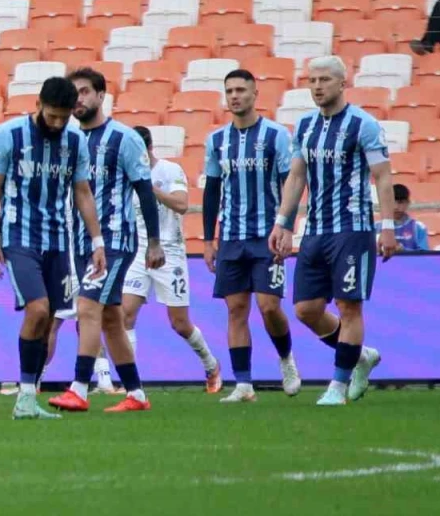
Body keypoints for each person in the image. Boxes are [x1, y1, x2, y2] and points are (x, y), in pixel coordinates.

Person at [269, 56, 395, 406]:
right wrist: (283, 223)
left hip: (352, 230)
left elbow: (382, 176)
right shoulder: (305, 126)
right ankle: (361, 355)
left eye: (324, 79)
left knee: (348, 306)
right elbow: (296, 177)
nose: (317, 86)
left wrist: (386, 227)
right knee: (306, 309)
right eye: (312, 80)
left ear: (342, 83)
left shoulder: (363, 124)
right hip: (315, 230)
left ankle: (337, 387)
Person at [0, 77, 106, 419]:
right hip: (18, 236)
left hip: (58, 240)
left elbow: (82, 191)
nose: (56, 123)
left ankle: (27, 397)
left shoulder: (75, 141)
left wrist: (97, 242)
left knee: (49, 317)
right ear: (38, 105)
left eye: (62, 118)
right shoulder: (10, 134)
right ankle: (24, 396)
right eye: (51, 116)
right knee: (37, 310)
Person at [50, 67, 163, 414]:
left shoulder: (123, 138)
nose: (79, 99)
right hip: (81, 242)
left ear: (101, 95)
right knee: (111, 318)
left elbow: (144, 189)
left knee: (87, 307)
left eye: (85, 92)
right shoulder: (69, 139)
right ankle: (137, 395)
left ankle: (79, 388)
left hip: (115, 239)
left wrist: (154, 242)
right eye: (74, 93)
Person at [203, 69, 301, 403]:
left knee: (269, 306)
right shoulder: (217, 140)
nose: (235, 96)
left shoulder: (276, 136)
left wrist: (286, 226)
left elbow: (292, 183)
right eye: (229, 90)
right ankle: (244, 384)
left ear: (255, 93)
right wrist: (207, 240)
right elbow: (212, 191)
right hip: (231, 237)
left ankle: (286, 359)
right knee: (236, 309)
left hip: (267, 236)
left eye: (241, 90)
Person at [117, 125, 222, 391]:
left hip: (170, 252)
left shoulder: (169, 170)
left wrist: (150, 189)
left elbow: (182, 205)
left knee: (180, 323)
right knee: (125, 316)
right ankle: (133, 384)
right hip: (137, 253)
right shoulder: (124, 176)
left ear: (148, 148)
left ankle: (211, 365)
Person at [392, 184, 430, 252]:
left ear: (408, 203)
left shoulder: (418, 227)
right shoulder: (377, 227)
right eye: (391, 202)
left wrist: (403, 250)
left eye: (400, 202)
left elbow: (424, 256)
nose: (395, 207)